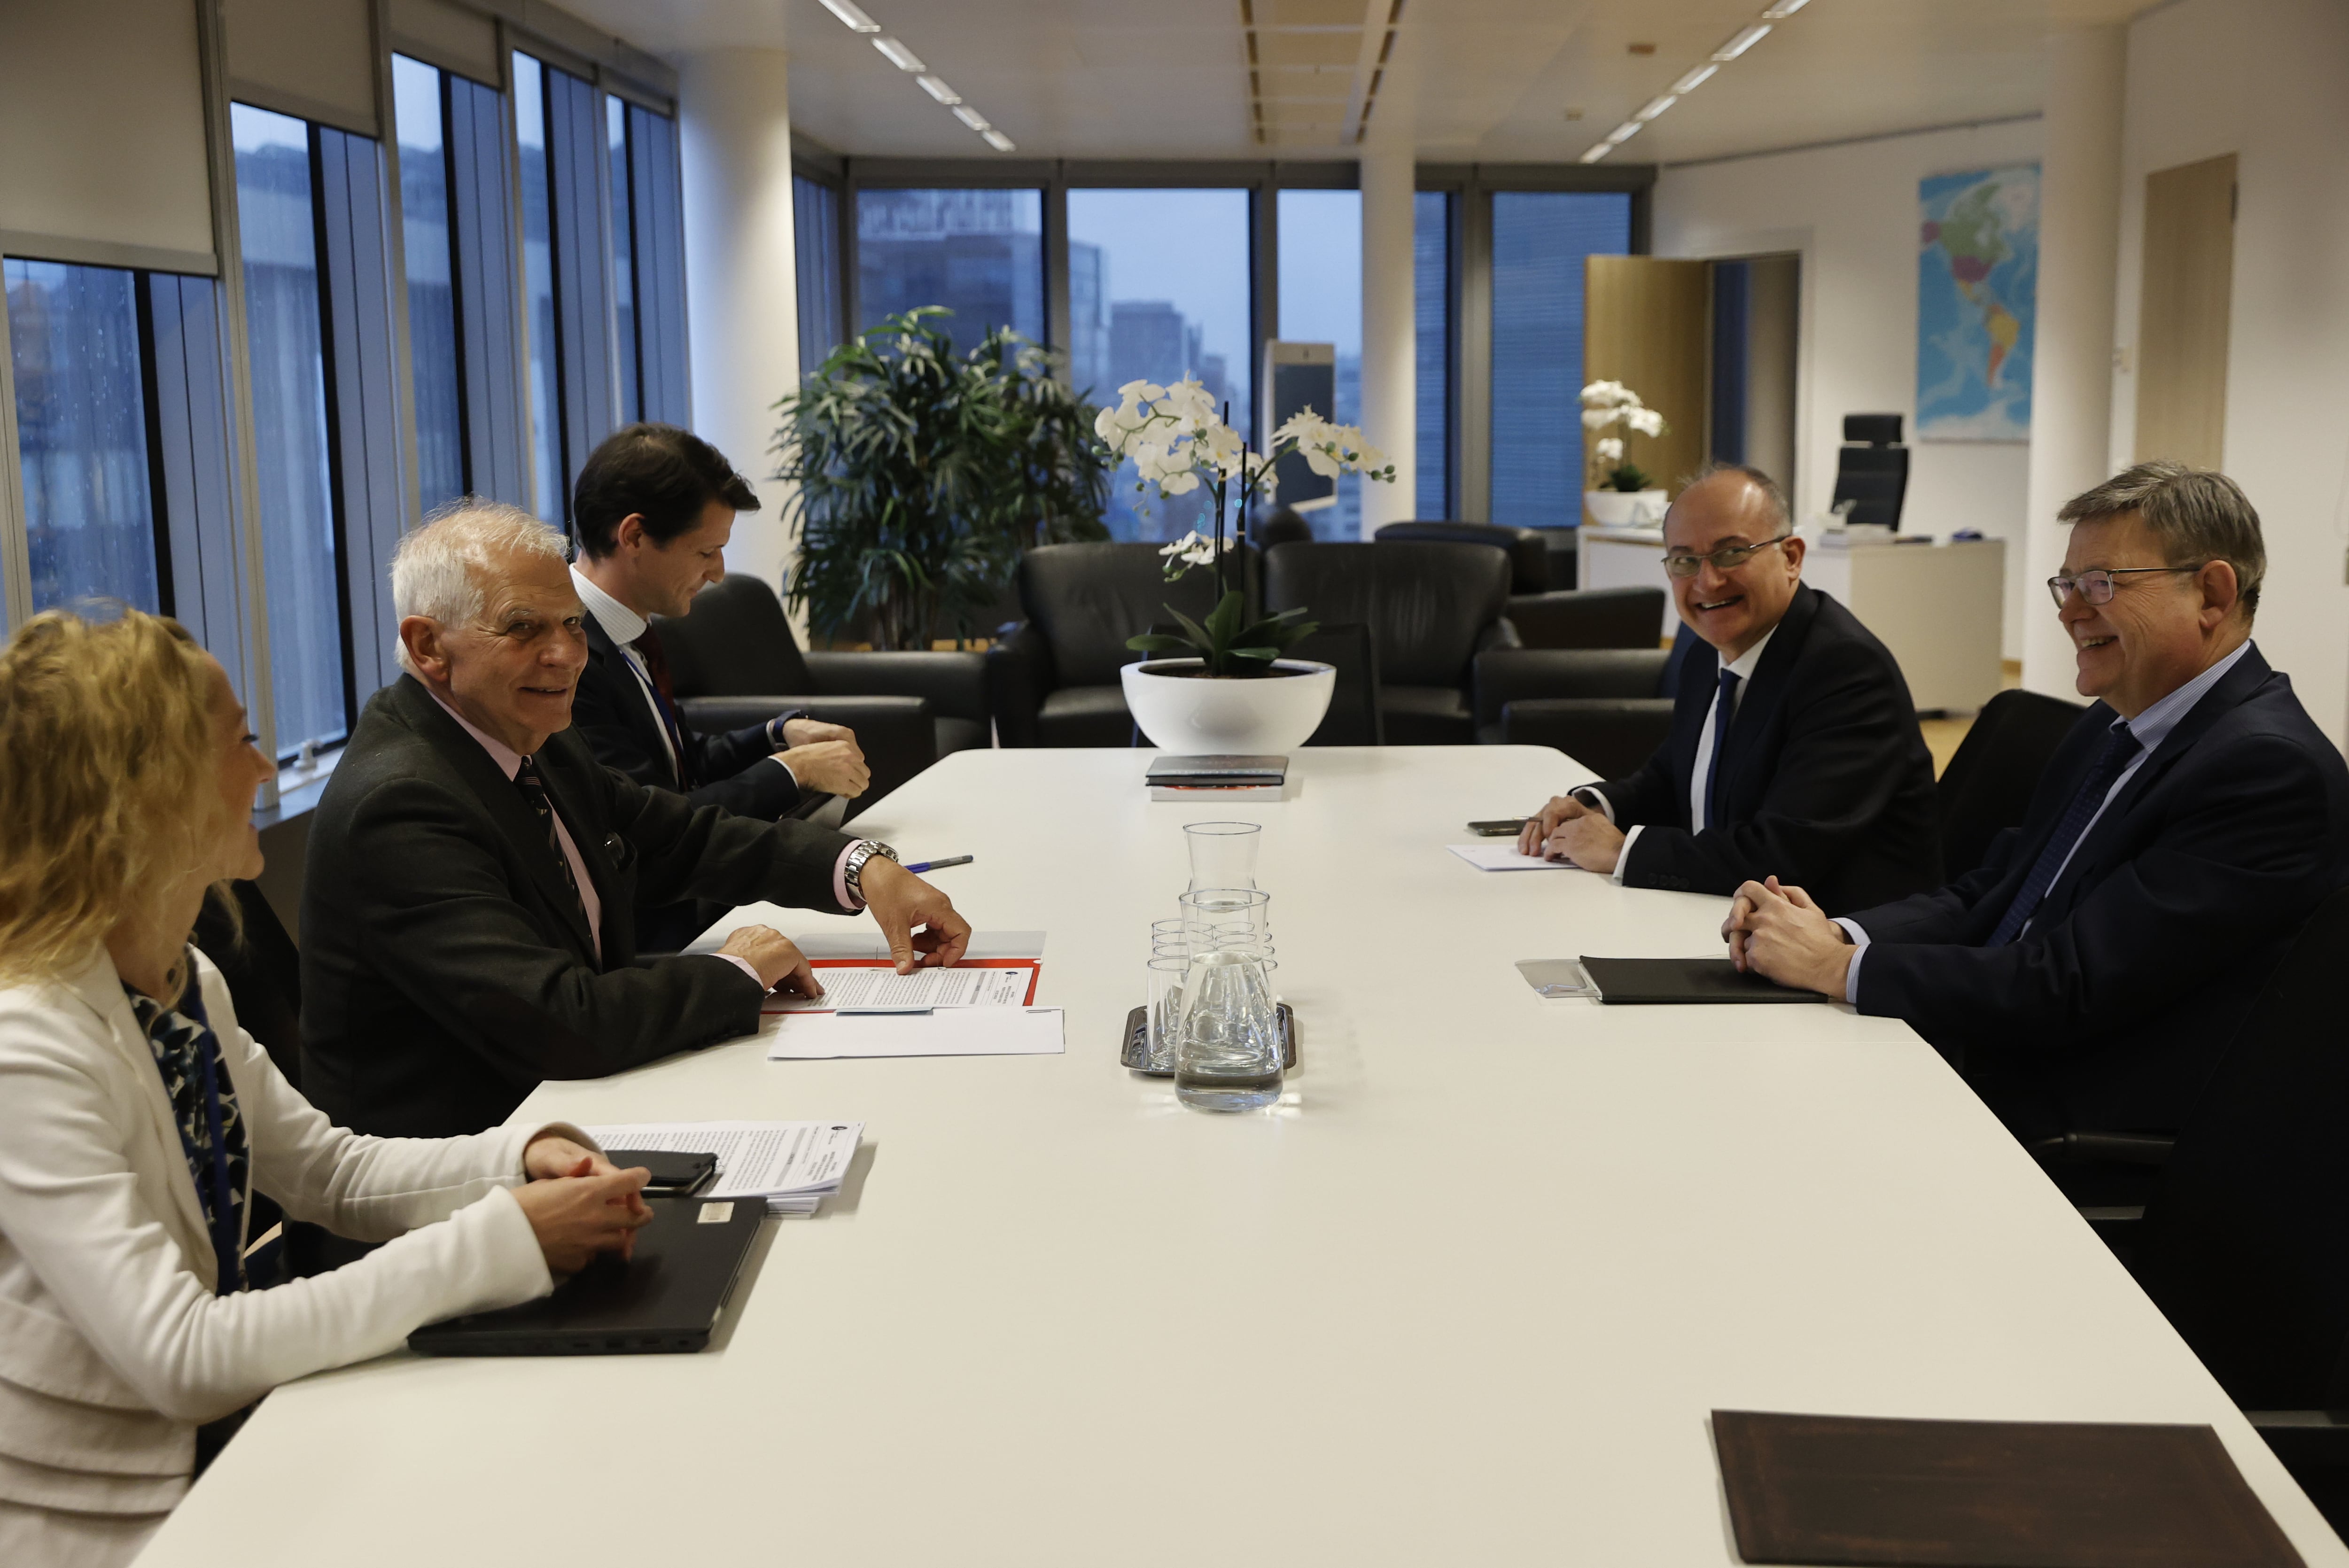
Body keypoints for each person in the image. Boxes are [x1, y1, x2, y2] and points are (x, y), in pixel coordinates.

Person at [0, 608, 654, 1566]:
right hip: (114, 1522)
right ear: (145, 793)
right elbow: (181, 1355)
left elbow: (327, 1172)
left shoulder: (184, 979)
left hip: (219, 1456)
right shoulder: (27, 1044)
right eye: (242, 743)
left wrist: (511, 1160)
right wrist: (501, 1238)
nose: (266, 771)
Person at [300, 500, 971, 1142]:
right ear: (428, 647)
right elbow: (559, 1019)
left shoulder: (532, 733)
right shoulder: (401, 804)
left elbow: (678, 836)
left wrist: (858, 866)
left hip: (576, 1107)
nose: (565, 655)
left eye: (570, 625)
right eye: (524, 627)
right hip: (461, 1175)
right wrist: (735, 972)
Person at [1727, 463, 2349, 1141]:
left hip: (2067, 1122)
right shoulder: (2114, 725)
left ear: (2212, 592)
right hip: (1988, 1049)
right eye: (2067, 584)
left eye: (2102, 584)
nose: (2070, 610)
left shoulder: (2267, 770)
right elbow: (1992, 893)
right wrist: (1841, 934)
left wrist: (1837, 968)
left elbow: (2069, 985)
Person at [1516, 465, 1941, 911]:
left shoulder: (1844, 672)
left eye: (1731, 553)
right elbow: (1675, 777)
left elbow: (1780, 857)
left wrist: (1623, 852)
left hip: (1834, 945)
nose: (1708, 582)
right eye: (1684, 561)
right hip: (1725, 916)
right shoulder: (1711, 649)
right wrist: (1595, 807)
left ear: (1792, 557)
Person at [568, 425, 871, 950]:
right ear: (635, 536)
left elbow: (683, 761)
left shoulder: (626, 632)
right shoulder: (566, 660)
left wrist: (779, 735)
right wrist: (791, 772)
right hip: (648, 943)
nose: (719, 572)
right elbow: (653, 819)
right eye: (706, 550)